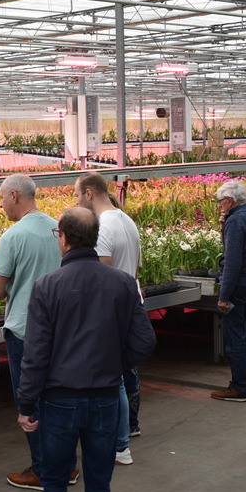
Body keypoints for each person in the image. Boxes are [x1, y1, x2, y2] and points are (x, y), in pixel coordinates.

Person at [15, 207, 155, 492]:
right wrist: (115, 363)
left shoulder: (47, 286)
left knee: (55, 483)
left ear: (62, 237)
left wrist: (26, 404)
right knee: (98, 485)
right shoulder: (122, 283)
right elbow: (145, 341)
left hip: (59, 400)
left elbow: (35, 355)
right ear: (93, 239)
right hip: (105, 398)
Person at [0, 175, 61, 490]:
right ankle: (65, 465)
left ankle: (42, 470)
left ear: (15, 196)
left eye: (1, 197)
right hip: (60, 329)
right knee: (58, 398)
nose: (0, 204)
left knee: (30, 400)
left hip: (25, 329)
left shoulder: (13, 236)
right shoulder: (59, 228)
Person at [77, 172, 143, 465]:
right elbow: (135, 269)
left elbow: (100, 275)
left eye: (77, 195)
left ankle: (120, 445)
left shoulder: (103, 226)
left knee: (113, 381)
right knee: (126, 374)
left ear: (89, 194)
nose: (76, 201)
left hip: (111, 311)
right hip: (129, 306)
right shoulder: (125, 219)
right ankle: (129, 427)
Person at [211, 180, 246, 402]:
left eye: (220, 202)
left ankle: (239, 387)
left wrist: (224, 296)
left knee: (235, 337)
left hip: (238, 286)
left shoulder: (236, 221)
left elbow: (232, 261)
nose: (219, 206)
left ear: (229, 200)